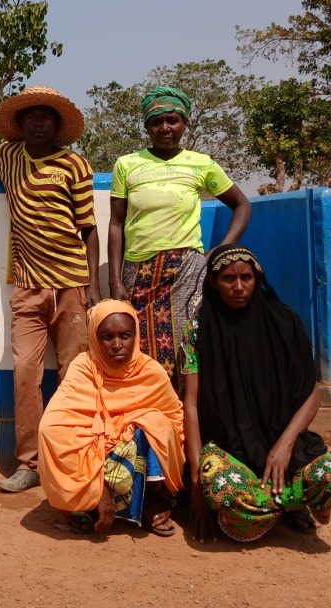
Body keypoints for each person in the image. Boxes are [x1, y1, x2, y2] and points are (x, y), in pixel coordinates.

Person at [0, 86, 101, 493]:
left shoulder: (74, 165)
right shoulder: (9, 155)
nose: (38, 123)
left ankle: (72, 458)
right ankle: (30, 463)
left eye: (46, 117)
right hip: (27, 286)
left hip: (71, 284)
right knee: (25, 375)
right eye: (30, 117)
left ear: (57, 124)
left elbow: (88, 228)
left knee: (74, 374)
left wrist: (91, 285)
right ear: (19, 124)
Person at [182, 245, 331, 542]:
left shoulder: (283, 322)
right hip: (228, 447)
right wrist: (197, 484)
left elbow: (311, 392)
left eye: (246, 277)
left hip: (284, 442)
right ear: (213, 282)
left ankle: (285, 503)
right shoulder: (197, 330)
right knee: (224, 493)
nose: (239, 287)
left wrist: (285, 444)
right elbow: (192, 406)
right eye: (228, 278)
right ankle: (282, 505)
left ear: (257, 279)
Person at [107, 86, 250, 385]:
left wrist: (220, 250)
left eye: (172, 120)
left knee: (186, 339)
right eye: (156, 122)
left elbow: (241, 205)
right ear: (146, 127)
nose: (165, 128)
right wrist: (115, 280)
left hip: (186, 268)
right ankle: (146, 407)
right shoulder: (127, 164)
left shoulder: (201, 163)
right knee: (139, 341)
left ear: (184, 123)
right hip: (139, 269)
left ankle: (187, 409)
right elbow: (116, 224)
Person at [39, 300, 185, 536]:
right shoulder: (84, 368)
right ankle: (88, 501)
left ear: (135, 336)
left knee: (157, 423)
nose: (117, 345)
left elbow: (175, 423)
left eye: (125, 336)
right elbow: (53, 426)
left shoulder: (151, 372)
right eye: (107, 337)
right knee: (56, 433)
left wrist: (167, 495)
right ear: (94, 339)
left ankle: (152, 503)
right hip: (96, 463)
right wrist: (97, 487)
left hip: (137, 457)